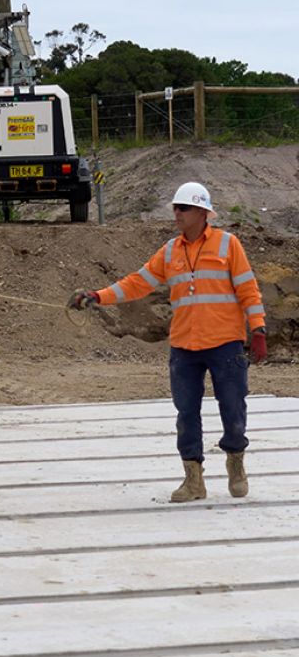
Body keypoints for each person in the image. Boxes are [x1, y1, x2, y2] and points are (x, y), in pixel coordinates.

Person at [68, 181, 266, 502]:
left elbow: (248, 289)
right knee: (186, 413)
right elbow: (137, 283)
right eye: (175, 207)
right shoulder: (170, 251)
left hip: (225, 344)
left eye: (183, 208)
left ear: (202, 212)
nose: (177, 213)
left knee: (233, 408)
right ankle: (193, 480)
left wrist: (258, 330)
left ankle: (235, 460)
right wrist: (98, 296)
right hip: (184, 347)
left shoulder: (228, 245)